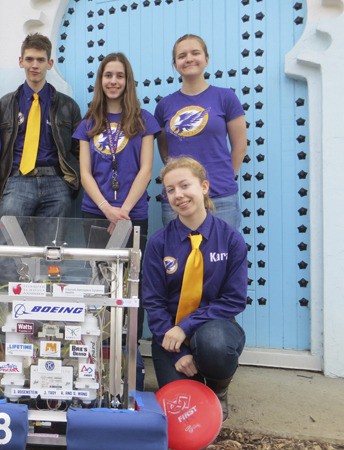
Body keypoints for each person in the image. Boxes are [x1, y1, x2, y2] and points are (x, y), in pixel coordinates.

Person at [141, 157, 247, 421]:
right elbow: (153, 301)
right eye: (170, 190)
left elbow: (234, 300)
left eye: (184, 185)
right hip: (169, 340)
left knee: (214, 344)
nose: (178, 195)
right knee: (181, 414)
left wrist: (186, 326)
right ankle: (197, 379)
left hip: (215, 329)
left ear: (204, 187)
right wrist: (178, 348)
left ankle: (218, 389)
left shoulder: (230, 239)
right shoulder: (158, 243)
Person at [73, 52, 160, 344]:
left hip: (133, 214)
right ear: (101, 80)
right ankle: (100, 348)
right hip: (96, 213)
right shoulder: (88, 123)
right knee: (99, 282)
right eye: (108, 75)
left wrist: (121, 211)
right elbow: (85, 173)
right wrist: (106, 209)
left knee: (133, 282)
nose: (113, 81)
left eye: (119, 75)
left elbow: (146, 169)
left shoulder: (144, 119)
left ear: (128, 80)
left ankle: (130, 350)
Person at [0, 33, 82, 251]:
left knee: (52, 252)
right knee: (4, 248)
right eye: (30, 59)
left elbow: (79, 151)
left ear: (50, 64)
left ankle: (48, 285)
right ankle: (2, 286)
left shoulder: (68, 106)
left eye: (41, 60)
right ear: (20, 61)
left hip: (56, 183)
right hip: (17, 181)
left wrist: (69, 182)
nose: (35, 65)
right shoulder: (6, 104)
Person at [154, 34, 247, 230]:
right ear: (175, 64)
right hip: (179, 200)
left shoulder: (226, 97)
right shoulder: (164, 105)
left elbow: (239, 146)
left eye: (195, 53)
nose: (189, 59)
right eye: (182, 55)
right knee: (179, 257)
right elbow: (165, 151)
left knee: (222, 256)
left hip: (221, 196)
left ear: (206, 59)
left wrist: (225, 176)